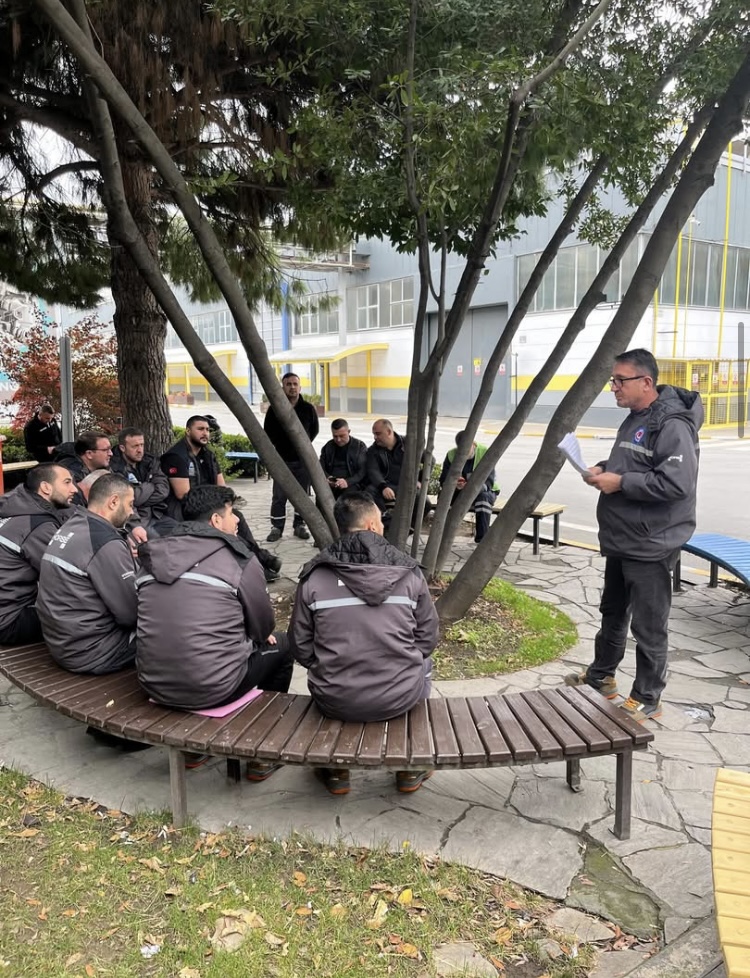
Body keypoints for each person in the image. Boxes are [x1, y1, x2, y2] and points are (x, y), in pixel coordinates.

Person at [565, 348, 703, 722]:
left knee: (648, 625)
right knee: (612, 612)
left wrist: (620, 482)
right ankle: (601, 677)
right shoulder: (636, 418)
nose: (613, 387)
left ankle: (647, 697)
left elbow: (676, 484)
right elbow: (635, 461)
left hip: (651, 542)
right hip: (623, 537)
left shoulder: (672, 425)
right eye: (612, 380)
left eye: (619, 380)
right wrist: (604, 468)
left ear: (645, 382)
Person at [135, 485, 293, 781]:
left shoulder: (154, 554)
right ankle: (262, 749)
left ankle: (195, 750)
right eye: (232, 513)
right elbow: (263, 627)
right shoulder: (239, 559)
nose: (237, 520)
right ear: (216, 521)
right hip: (214, 688)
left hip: (153, 683)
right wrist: (253, 637)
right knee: (283, 645)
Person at [290, 491, 439, 796]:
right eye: (381, 521)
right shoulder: (408, 573)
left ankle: (335, 771)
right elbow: (428, 637)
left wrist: (325, 665)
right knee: (425, 663)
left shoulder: (314, 576)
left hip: (334, 697)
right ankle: (411, 765)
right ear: (372, 525)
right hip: (399, 696)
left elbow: (300, 645)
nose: (382, 526)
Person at [37, 473, 138, 674]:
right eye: (130, 504)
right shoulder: (104, 542)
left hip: (63, 644)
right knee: (174, 630)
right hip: (94, 652)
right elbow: (131, 614)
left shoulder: (71, 526)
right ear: (113, 502)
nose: (132, 512)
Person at [160, 415, 282, 581]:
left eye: (207, 430)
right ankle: (255, 565)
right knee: (224, 525)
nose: (205, 433)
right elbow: (183, 494)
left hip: (208, 505)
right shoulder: (176, 456)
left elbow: (222, 487)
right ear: (188, 431)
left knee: (236, 517)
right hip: (185, 510)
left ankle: (258, 558)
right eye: (200, 429)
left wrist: (225, 504)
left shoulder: (208, 455)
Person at [0, 464, 77, 646]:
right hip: (10, 621)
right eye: (67, 482)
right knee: (90, 610)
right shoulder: (38, 526)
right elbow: (67, 575)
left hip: (6, 610)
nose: (74, 489)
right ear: (46, 487)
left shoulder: (15, 509)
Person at [263, 372, 319, 541]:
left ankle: (299, 525)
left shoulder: (308, 409)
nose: (292, 387)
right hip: (282, 461)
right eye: (288, 384)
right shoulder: (274, 409)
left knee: (303, 496)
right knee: (279, 496)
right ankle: (277, 527)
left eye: (295, 384)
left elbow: (314, 430)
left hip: (303, 461)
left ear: (300, 387)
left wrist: (301, 446)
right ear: (283, 388)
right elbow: (268, 432)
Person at [439, 432, 500, 543]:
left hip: (483, 490)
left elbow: (489, 482)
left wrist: (470, 488)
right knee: (443, 497)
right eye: (461, 451)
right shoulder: (451, 454)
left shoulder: (484, 452)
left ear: (473, 444)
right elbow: (443, 479)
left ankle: (482, 540)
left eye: (467, 450)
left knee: (483, 499)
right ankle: (442, 536)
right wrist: (455, 484)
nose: (464, 454)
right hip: (459, 491)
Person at [110, 427, 169, 528]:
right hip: (133, 520)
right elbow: (126, 498)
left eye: (142, 445)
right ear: (122, 448)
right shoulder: (114, 467)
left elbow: (163, 490)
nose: (140, 450)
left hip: (157, 514)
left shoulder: (150, 461)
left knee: (180, 530)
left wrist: (139, 502)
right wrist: (150, 486)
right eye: (135, 446)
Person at [54, 430, 113, 502]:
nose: (111, 453)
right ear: (89, 454)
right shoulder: (70, 473)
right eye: (105, 450)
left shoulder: (103, 467)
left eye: (110, 449)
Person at [365, 418, 407, 514]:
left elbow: (430, 460)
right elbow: (373, 470)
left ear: (388, 432)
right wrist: (383, 487)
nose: (375, 437)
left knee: (426, 503)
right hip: (387, 485)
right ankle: (384, 518)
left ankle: (410, 522)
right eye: (374, 434)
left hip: (407, 485)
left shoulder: (407, 443)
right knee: (370, 491)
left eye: (378, 434)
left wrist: (420, 479)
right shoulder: (373, 450)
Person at [318, 418, 367, 498]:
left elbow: (363, 471)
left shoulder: (359, 447)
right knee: (321, 494)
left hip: (352, 483)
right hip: (332, 482)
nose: (338, 440)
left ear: (349, 432)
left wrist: (347, 482)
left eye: (342, 436)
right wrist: (328, 478)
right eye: (335, 436)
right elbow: (320, 467)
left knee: (348, 497)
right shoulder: (328, 447)